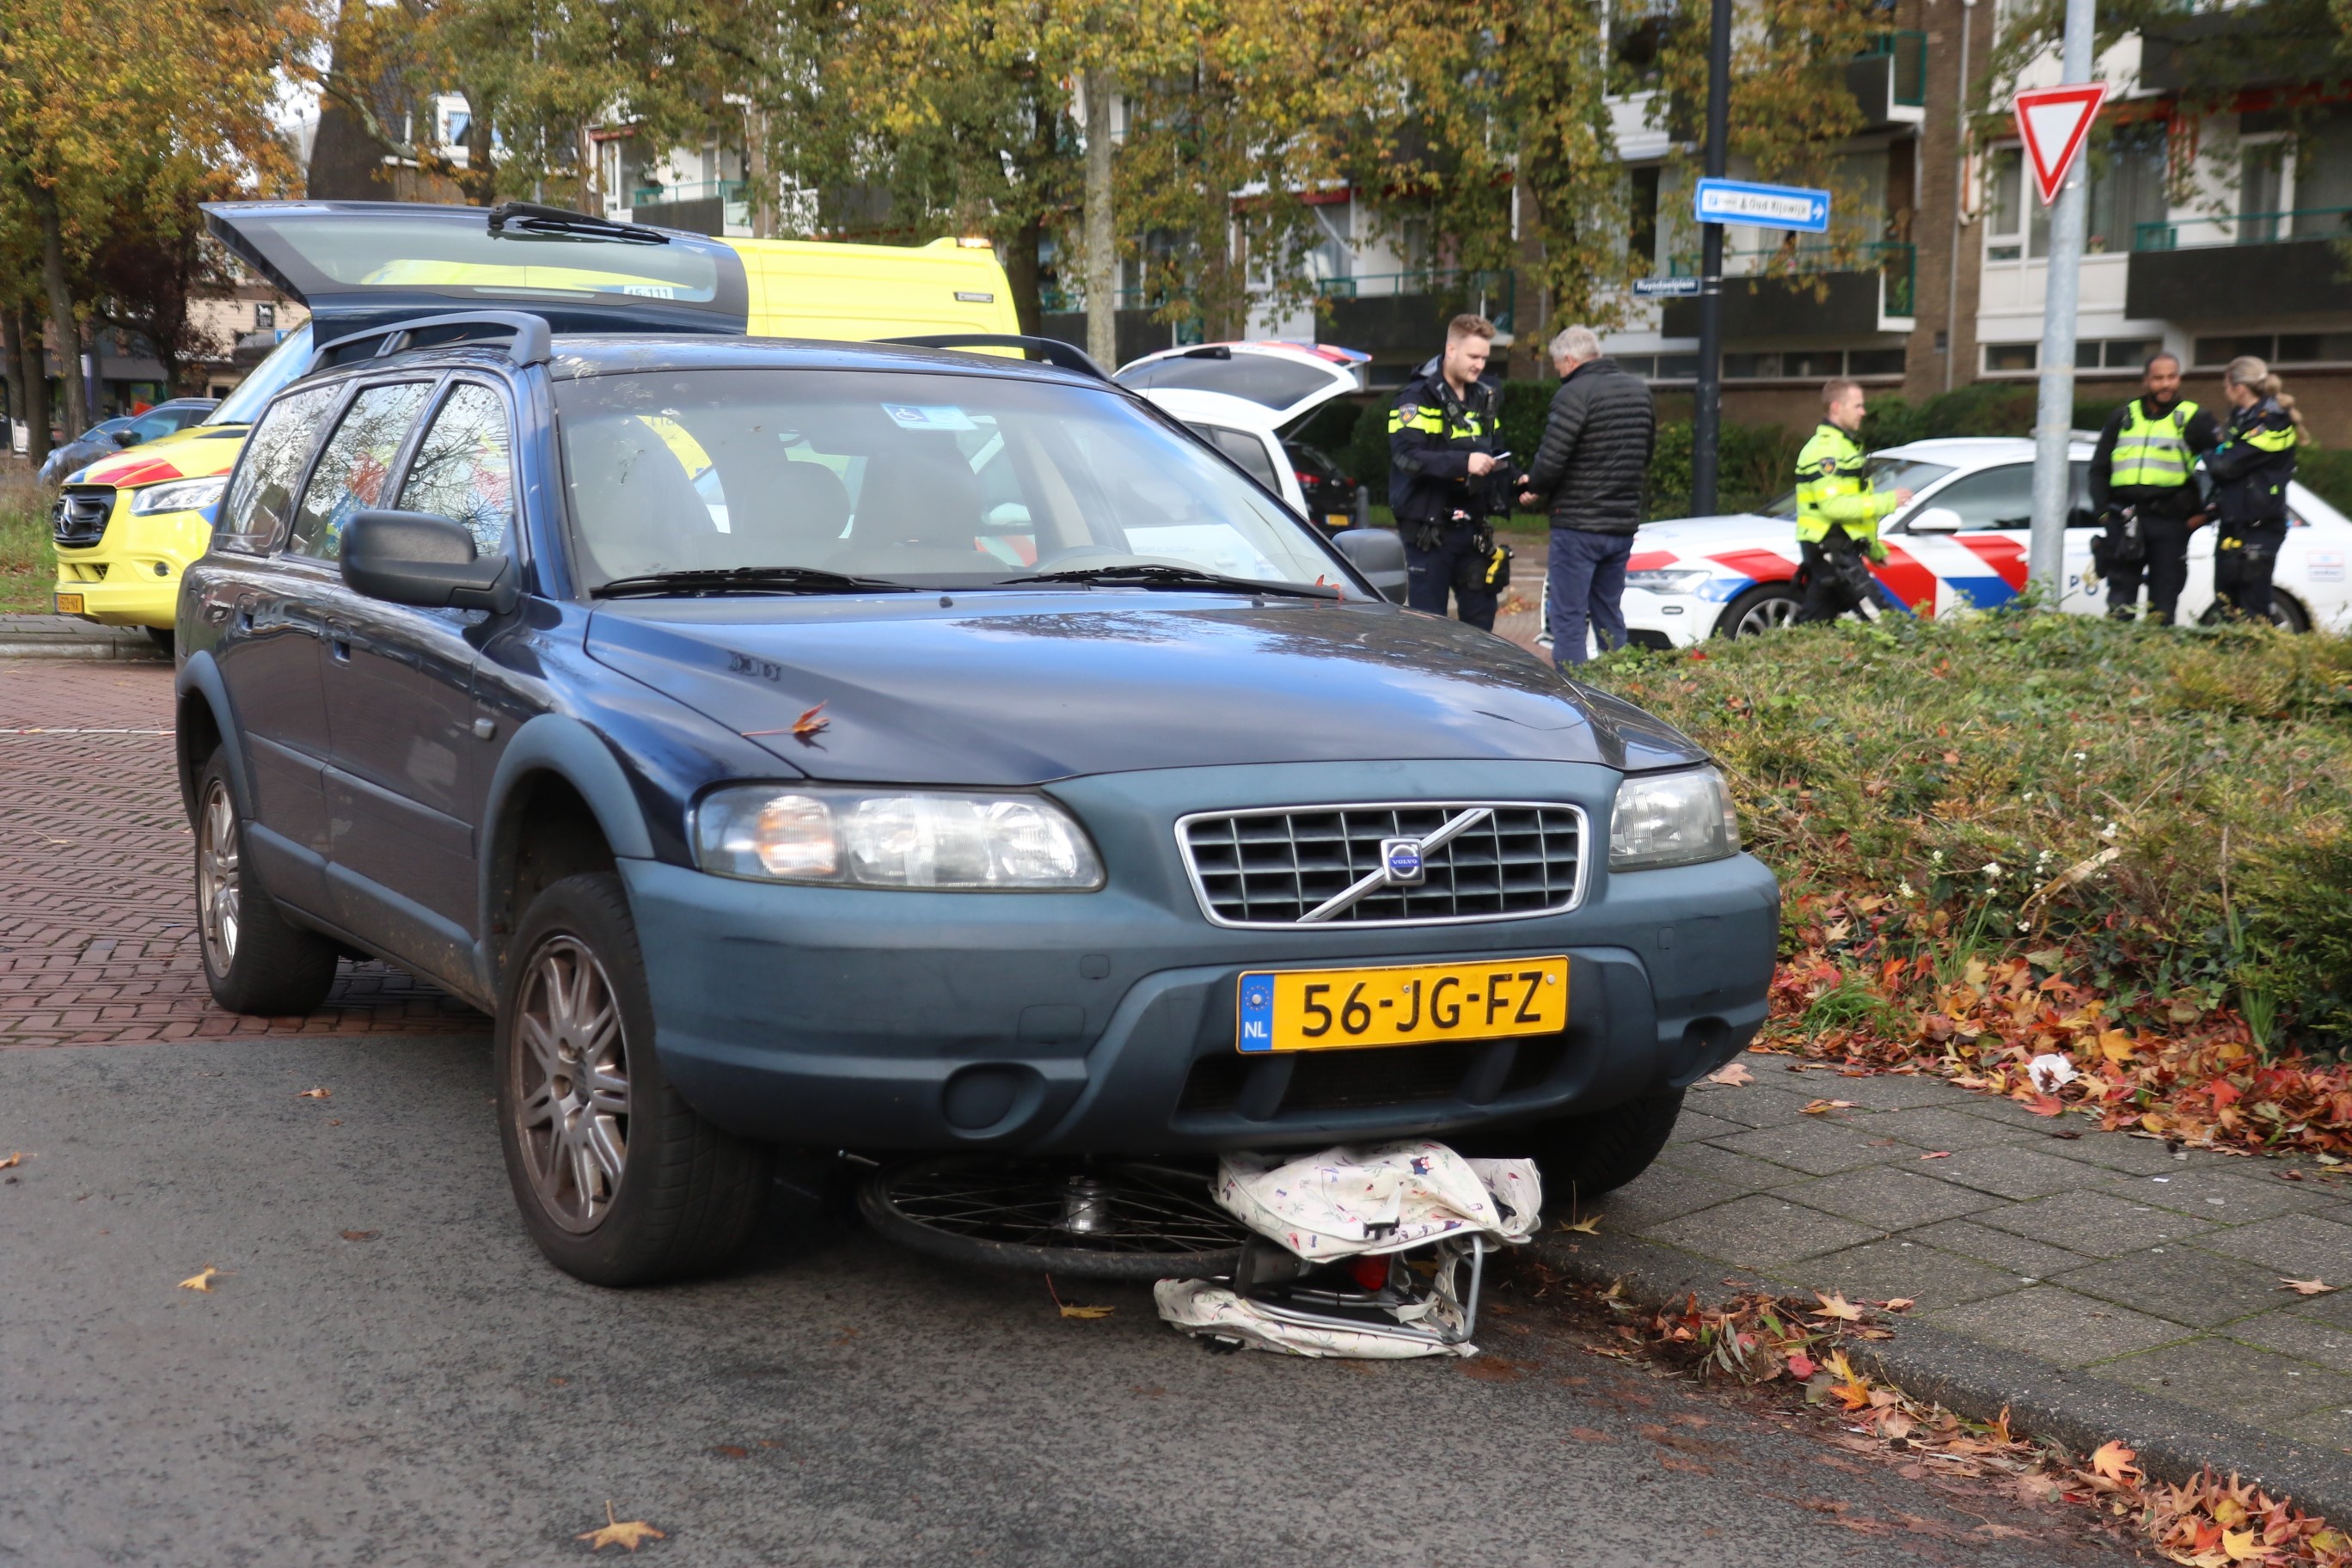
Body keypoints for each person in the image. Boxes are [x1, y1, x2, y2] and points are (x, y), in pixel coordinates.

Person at [1519, 325, 1657, 666]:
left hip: (1578, 526)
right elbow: (1646, 454)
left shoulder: (1574, 393)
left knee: (1568, 619)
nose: (1558, 373)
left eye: (1557, 366)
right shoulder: (1639, 392)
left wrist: (1531, 486)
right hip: (1621, 525)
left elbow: (1551, 460)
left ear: (1569, 359)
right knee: (1609, 613)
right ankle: (1620, 690)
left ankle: (1576, 700)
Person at [1389, 314, 1516, 629]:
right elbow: (1407, 457)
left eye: (1485, 358)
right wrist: (1464, 463)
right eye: (1474, 356)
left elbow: (1497, 452)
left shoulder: (1482, 398)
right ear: (1451, 350)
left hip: (1472, 532)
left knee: (1481, 627)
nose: (1480, 365)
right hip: (1429, 534)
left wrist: (1519, 481)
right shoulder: (1415, 399)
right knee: (1429, 630)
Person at [2086, 351, 2221, 623]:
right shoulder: (2123, 417)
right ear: (2146, 381)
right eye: (2158, 378)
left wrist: (2206, 515)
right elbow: (2099, 470)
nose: (2166, 384)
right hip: (2125, 522)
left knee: (2162, 608)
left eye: (2172, 377)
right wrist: (2104, 515)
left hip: (2170, 524)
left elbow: (2228, 467)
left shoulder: (2194, 417)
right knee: (2119, 607)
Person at [1792, 378, 1913, 624]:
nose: (1863, 412)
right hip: (1830, 547)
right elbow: (1834, 507)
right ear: (1837, 407)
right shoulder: (1825, 451)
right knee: (1883, 621)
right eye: (1857, 406)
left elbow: (1857, 506)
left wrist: (1873, 548)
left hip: (1836, 548)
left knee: (1814, 623)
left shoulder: (1844, 447)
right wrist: (1888, 502)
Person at [2196, 355, 2305, 623]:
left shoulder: (2272, 422)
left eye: (2226, 387)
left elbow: (2225, 465)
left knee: (2253, 610)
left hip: (2260, 526)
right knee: (2226, 605)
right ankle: (2233, 662)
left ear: (2239, 387)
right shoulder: (2239, 419)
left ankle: (2260, 659)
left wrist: (2206, 452)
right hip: (2234, 522)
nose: (2225, 393)